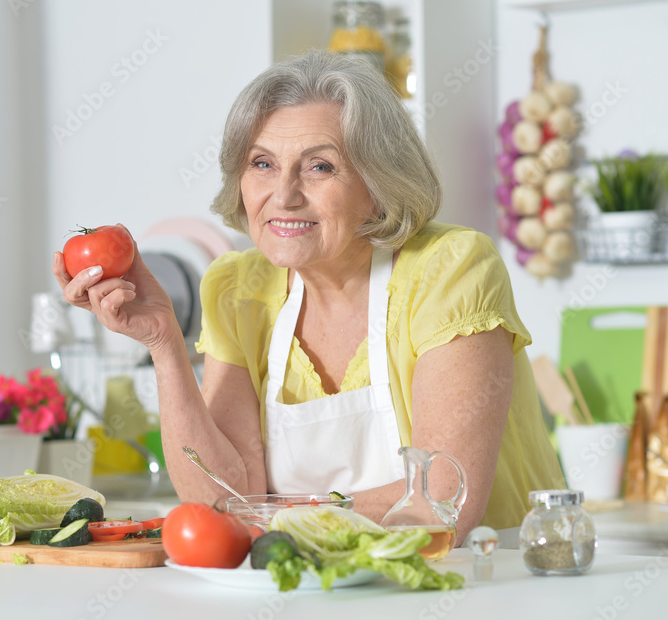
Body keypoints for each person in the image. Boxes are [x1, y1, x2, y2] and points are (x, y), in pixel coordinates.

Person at [53, 50, 564, 544]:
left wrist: (272, 513)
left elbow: (439, 504)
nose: (284, 194)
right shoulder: (237, 287)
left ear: (378, 183)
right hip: (314, 584)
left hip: (482, 584)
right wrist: (164, 342)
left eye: (319, 166)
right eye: (262, 164)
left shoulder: (451, 268)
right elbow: (223, 499)